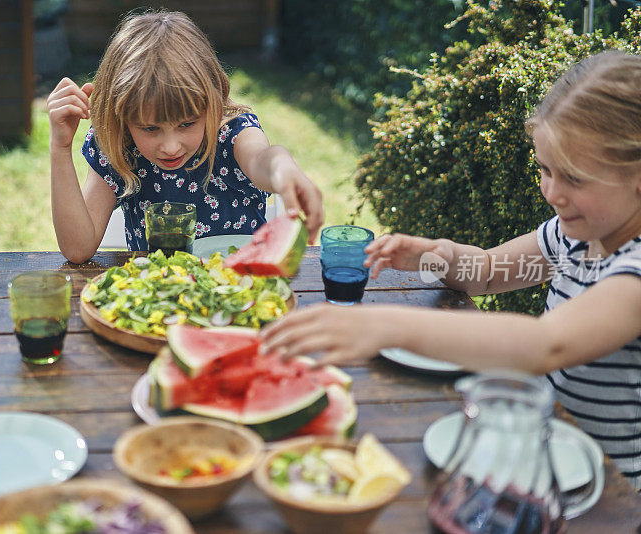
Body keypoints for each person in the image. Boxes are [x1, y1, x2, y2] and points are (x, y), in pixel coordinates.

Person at [261, 50, 641, 489]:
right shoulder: (578, 237)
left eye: (573, 179)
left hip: (613, 488)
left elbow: (546, 345)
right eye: (544, 170)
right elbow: (490, 272)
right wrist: (428, 257)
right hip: (550, 452)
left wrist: (386, 325)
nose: (552, 192)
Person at [46, 10, 324, 263]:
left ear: (212, 103)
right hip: (159, 306)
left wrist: (284, 169)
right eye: (150, 128)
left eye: (187, 124)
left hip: (241, 297)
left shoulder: (232, 135)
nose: (170, 147)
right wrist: (60, 148)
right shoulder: (121, 149)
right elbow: (78, 249)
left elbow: (264, 158)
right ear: (122, 119)